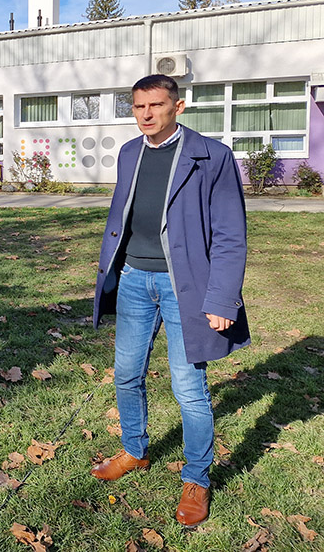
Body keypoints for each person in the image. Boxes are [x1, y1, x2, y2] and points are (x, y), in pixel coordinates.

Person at [91, 74, 250, 528]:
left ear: (178, 107)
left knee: (188, 388)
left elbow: (230, 236)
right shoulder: (129, 153)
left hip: (188, 288)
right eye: (138, 106)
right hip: (135, 280)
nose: (145, 114)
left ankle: (197, 477)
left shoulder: (210, 156)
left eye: (155, 105)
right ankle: (135, 450)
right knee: (126, 373)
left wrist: (222, 298)